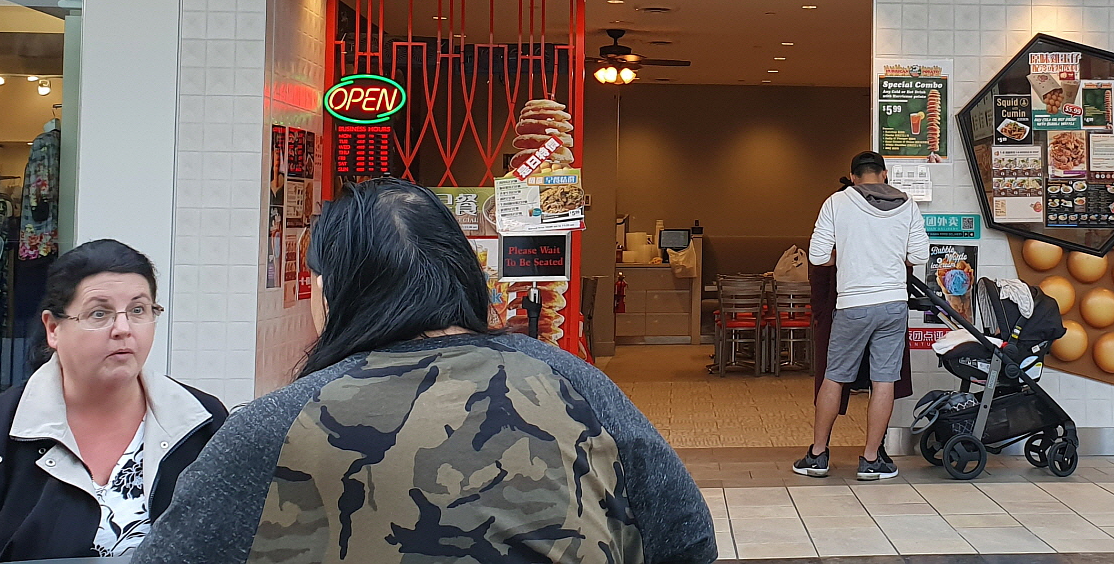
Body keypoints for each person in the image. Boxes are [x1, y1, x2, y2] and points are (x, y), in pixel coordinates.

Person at [132, 178, 714, 564]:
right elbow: (686, 535)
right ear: (464, 276)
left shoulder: (274, 426)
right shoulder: (571, 381)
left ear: (331, 292)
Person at [0, 240, 227, 562]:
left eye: (138, 310)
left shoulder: (202, 422)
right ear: (53, 328)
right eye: (99, 313)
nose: (123, 329)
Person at [795, 151, 929, 481]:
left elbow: (817, 256)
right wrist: (893, 258)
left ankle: (818, 456)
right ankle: (871, 460)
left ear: (853, 177)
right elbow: (919, 255)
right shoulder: (908, 205)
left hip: (852, 304)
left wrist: (845, 256)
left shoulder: (837, 202)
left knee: (834, 377)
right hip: (893, 304)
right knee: (883, 380)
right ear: (884, 174)